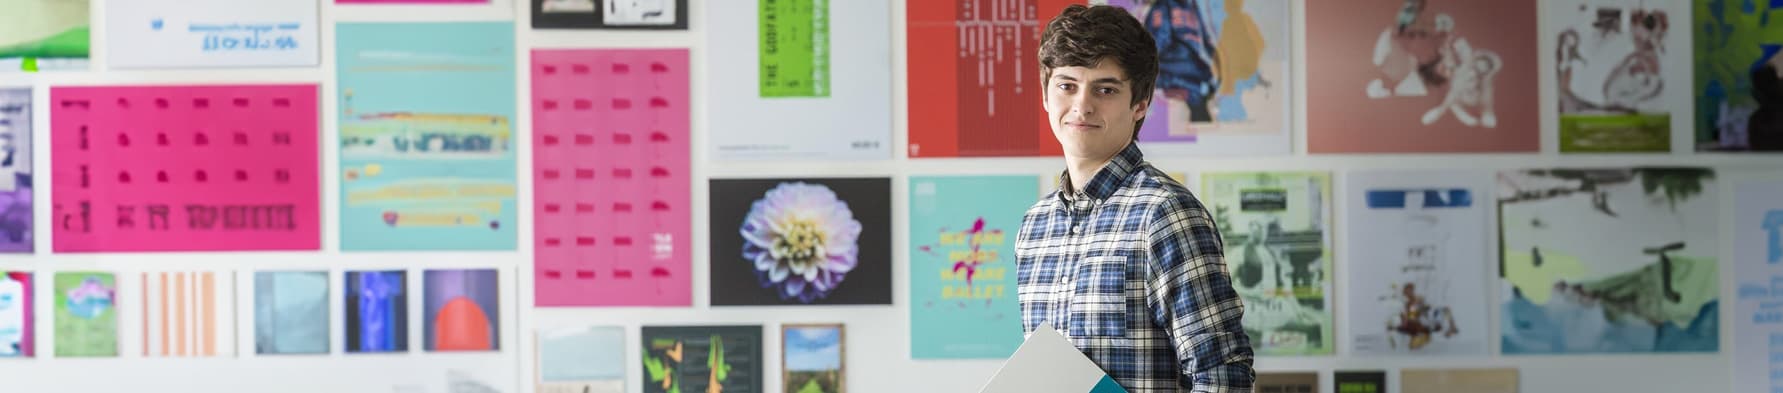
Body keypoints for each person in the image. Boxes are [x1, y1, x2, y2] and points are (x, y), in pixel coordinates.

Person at [1016, 5, 1255, 392]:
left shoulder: (1165, 214)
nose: (1082, 105)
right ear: (1045, 93)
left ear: (1140, 103)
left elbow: (1222, 375)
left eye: (1105, 89)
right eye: (1067, 85)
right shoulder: (1035, 225)